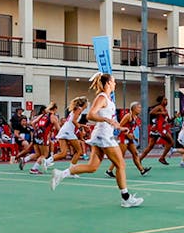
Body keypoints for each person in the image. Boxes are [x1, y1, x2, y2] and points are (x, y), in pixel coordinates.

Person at [51, 73, 143, 207]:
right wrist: (105, 119)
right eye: (114, 81)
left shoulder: (108, 99)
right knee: (121, 165)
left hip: (101, 134)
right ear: (108, 83)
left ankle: (61, 174)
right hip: (104, 136)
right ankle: (126, 198)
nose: (115, 84)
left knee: (92, 167)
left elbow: (109, 119)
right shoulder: (102, 97)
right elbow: (90, 115)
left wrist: (119, 127)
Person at [108, 102, 150, 178]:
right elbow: (119, 126)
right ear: (134, 108)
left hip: (129, 138)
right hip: (123, 138)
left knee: (135, 153)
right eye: (139, 107)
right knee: (120, 156)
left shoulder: (136, 118)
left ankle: (142, 170)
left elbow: (131, 129)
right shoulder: (128, 116)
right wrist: (127, 134)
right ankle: (109, 170)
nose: (140, 109)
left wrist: (133, 137)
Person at [50, 98, 86, 169]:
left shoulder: (75, 110)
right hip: (68, 131)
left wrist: (83, 126)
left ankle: (46, 161)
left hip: (64, 130)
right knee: (79, 151)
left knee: (63, 153)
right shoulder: (79, 109)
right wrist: (81, 129)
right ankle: (71, 170)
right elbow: (74, 121)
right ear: (84, 104)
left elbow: (72, 121)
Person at [138, 95, 174, 166]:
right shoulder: (159, 107)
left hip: (161, 129)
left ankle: (140, 159)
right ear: (161, 101)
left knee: (151, 146)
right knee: (170, 142)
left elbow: (168, 120)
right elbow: (151, 112)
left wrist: (174, 117)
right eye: (164, 100)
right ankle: (162, 157)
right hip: (158, 129)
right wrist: (161, 113)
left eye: (166, 100)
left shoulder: (165, 109)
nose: (166, 101)